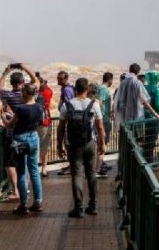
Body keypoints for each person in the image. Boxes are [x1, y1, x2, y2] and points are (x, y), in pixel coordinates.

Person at [56, 78, 106, 218]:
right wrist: (102, 144)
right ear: (87, 90)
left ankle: (79, 208)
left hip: (73, 145)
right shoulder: (94, 104)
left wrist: (59, 146)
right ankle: (93, 205)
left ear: (75, 89)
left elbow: (60, 128)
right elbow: (100, 127)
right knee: (91, 174)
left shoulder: (67, 105)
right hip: (90, 143)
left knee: (77, 175)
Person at [0, 63, 40, 201]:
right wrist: (25, 67)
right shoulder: (31, 96)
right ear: (23, 82)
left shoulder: (7, 96)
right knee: (30, 167)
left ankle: (16, 191)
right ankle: (30, 193)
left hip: (14, 136)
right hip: (32, 135)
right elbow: (36, 81)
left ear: (12, 83)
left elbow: (0, 88)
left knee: (11, 164)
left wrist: (5, 72)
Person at [4, 83, 44, 214]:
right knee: (34, 171)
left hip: (20, 139)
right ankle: (37, 202)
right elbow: (40, 121)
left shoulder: (20, 108)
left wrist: (4, 119)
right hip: (33, 137)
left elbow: (10, 125)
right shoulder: (39, 107)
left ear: (25, 93)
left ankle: (23, 204)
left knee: (21, 171)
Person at [143, 71, 159, 161]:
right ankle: (149, 160)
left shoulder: (144, 87)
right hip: (154, 118)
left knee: (144, 140)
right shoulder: (157, 90)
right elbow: (158, 104)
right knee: (152, 140)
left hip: (143, 117)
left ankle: (144, 159)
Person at [57, 70, 76, 175]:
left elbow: (69, 106)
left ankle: (72, 166)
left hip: (68, 121)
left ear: (66, 79)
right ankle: (71, 165)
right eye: (58, 78)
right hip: (68, 121)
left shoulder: (67, 90)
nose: (58, 80)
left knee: (68, 144)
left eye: (60, 78)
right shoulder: (66, 89)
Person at [95, 72, 113, 177]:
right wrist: (102, 114)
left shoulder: (99, 87)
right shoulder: (103, 89)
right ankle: (98, 168)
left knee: (100, 144)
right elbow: (99, 102)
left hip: (102, 119)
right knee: (102, 145)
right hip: (103, 120)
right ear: (110, 80)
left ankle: (100, 165)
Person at [36, 75, 53, 177]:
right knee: (44, 147)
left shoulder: (32, 94)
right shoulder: (47, 92)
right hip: (44, 122)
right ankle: (44, 168)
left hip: (36, 123)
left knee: (41, 147)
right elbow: (48, 88)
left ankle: (41, 167)